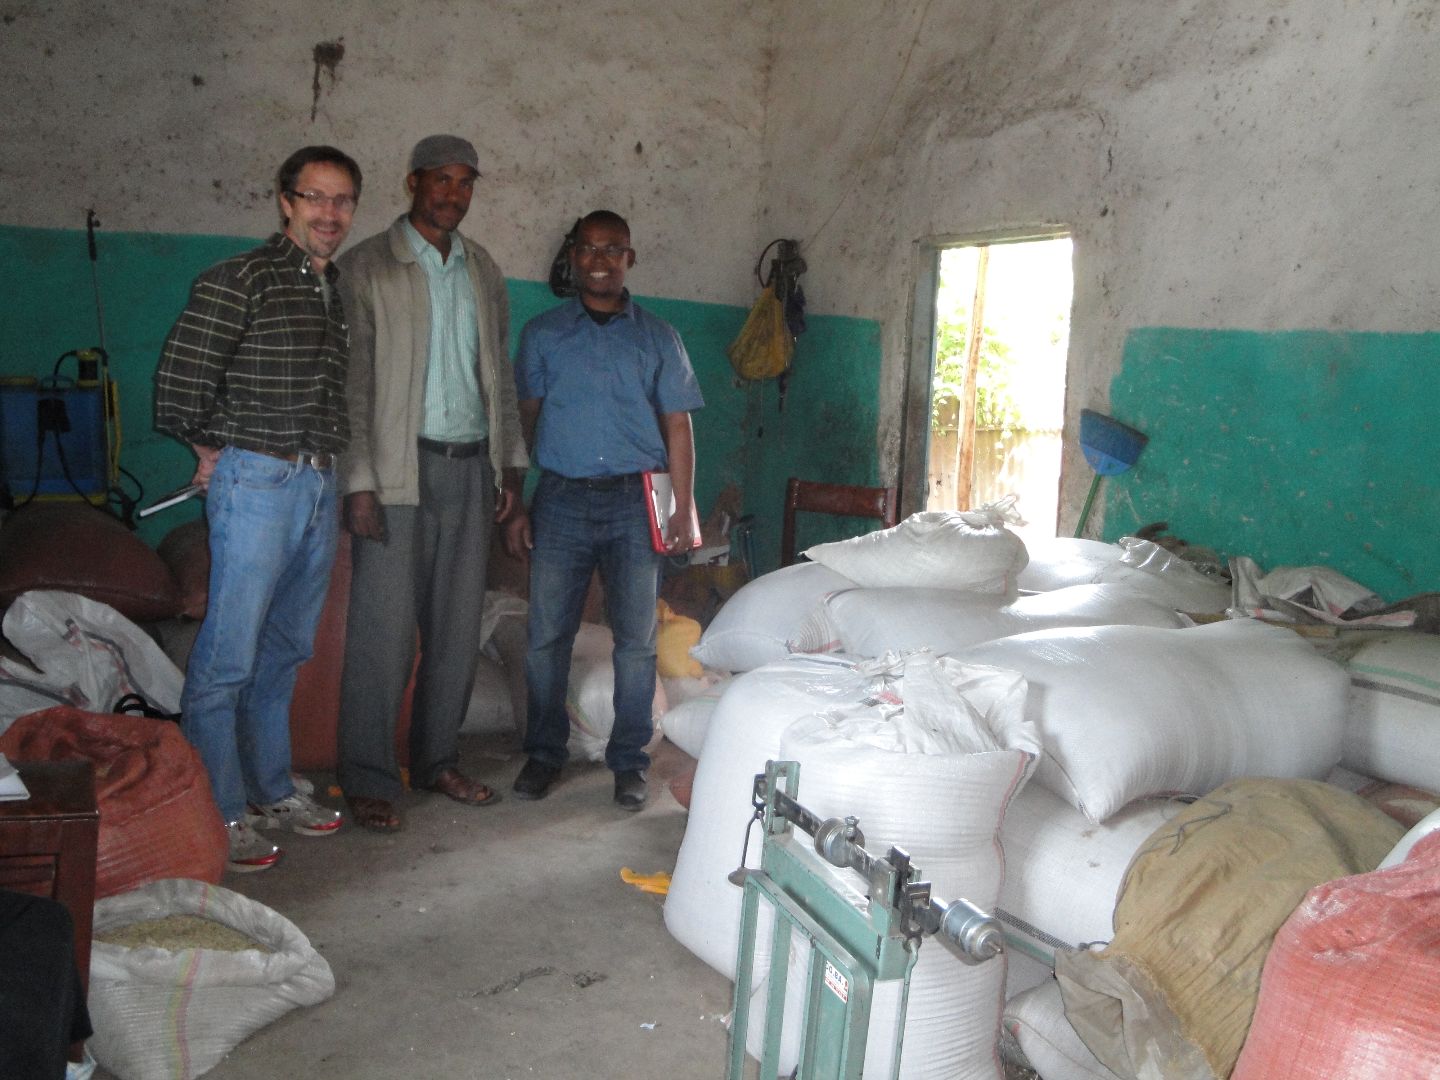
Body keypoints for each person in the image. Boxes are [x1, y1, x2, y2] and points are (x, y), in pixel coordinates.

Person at [154, 145, 362, 871]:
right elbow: (179, 383)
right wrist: (214, 454)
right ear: (285, 200)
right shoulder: (238, 278)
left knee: (285, 650)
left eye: (342, 201)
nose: (329, 214)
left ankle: (272, 787)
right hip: (258, 482)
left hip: (315, 485)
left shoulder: (335, 291)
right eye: (316, 197)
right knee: (229, 655)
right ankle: (218, 809)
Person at [334, 135, 528, 832]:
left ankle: (437, 759)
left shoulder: (483, 270)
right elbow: (352, 387)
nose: (453, 193)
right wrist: (357, 481)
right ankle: (368, 776)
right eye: (440, 180)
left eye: (465, 182)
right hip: (396, 473)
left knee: (454, 630)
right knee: (383, 635)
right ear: (413, 181)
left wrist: (510, 466)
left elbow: (498, 377)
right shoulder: (367, 268)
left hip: (469, 469)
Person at [507, 210, 703, 810]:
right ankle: (544, 753)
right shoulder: (543, 333)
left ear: (629, 259)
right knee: (547, 638)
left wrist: (681, 506)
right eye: (589, 249)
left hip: (634, 502)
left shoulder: (659, 336)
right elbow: (527, 419)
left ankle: (628, 760)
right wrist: (521, 494)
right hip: (561, 498)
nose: (599, 260)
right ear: (572, 256)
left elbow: (678, 425)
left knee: (637, 642)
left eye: (613, 249)